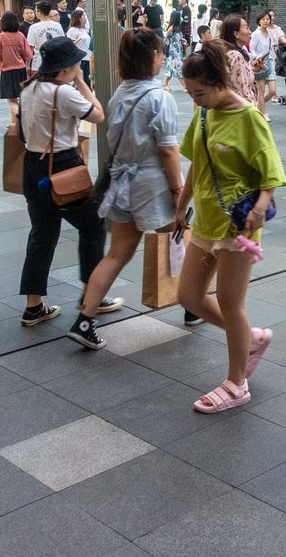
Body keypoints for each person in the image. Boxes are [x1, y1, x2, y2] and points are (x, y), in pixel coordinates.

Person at [174, 41, 286, 412]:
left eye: (200, 92)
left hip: (239, 225)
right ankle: (249, 338)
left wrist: (260, 207)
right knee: (189, 296)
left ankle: (237, 384)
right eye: (190, 93)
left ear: (220, 82)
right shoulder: (205, 115)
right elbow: (196, 160)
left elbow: (271, 172)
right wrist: (181, 206)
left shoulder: (249, 118)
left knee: (229, 302)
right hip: (206, 220)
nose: (196, 99)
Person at [74, 29, 183, 349]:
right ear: (152, 57)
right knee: (179, 238)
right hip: (151, 184)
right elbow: (168, 150)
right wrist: (178, 190)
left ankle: (84, 319)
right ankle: (193, 305)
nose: (162, 57)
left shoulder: (120, 93)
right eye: (160, 53)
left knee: (117, 253)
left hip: (121, 181)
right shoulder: (159, 97)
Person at [16, 36, 112, 332]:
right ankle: (91, 294)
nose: (77, 67)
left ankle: (33, 306)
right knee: (94, 224)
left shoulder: (28, 89)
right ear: (66, 68)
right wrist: (83, 83)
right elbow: (98, 114)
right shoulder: (64, 93)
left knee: (42, 233)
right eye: (75, 65)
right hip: (63, 167)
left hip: (33, 167)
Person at [0, 10, 32, 127]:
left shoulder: (0, 37)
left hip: (7, 71)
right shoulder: (21, 36)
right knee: (18, 97)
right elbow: (29, 54)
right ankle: (13, 123)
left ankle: (21, 117)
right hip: (21, 70)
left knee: (11, 99)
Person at [219, 14, 257, 102]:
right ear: (236, 34)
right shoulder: (236, 56)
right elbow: (243, 92)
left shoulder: (225, 51)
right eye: (246, 28)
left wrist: (250, 69)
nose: (250, 32)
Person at [249, 11, 278, 119]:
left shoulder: (269, 32)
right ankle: (263, 113)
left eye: (268, 19)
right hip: (260, 63)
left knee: (272, 91)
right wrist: (257, 58)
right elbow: (252, 49)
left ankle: (257, 105)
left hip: (269, 62)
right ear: (259, 22)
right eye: (263, 19)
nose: (266, 21)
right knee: (260, 90)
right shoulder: (255, 35)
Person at [27, 0, 64, 73]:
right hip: (56, 62)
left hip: (39, 63)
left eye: (36, 11)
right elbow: (62, 43)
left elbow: (30, 47)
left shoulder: (34, 27)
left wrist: (27, 64)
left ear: (40, 12)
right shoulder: (58, 25)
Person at [162, 3, 187, 92]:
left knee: (172, 68)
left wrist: (183, 41)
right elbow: (165, 39)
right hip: (173, 51)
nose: (181, 18)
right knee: (178, 67)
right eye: (179, 16)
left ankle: (165, 83)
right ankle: (184, 86)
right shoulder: (171, 28)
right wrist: (165, 52)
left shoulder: (177, 28)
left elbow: (179, 38)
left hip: (178, 50)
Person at [66, 8, 93, 87]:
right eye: (83, 16)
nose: (85, 18)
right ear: (78, 18)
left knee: (87, 81)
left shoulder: (83, 30)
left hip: (88, 58)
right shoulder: (72, 31)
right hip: (81, 60)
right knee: (83, 82)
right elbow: (71, 46)